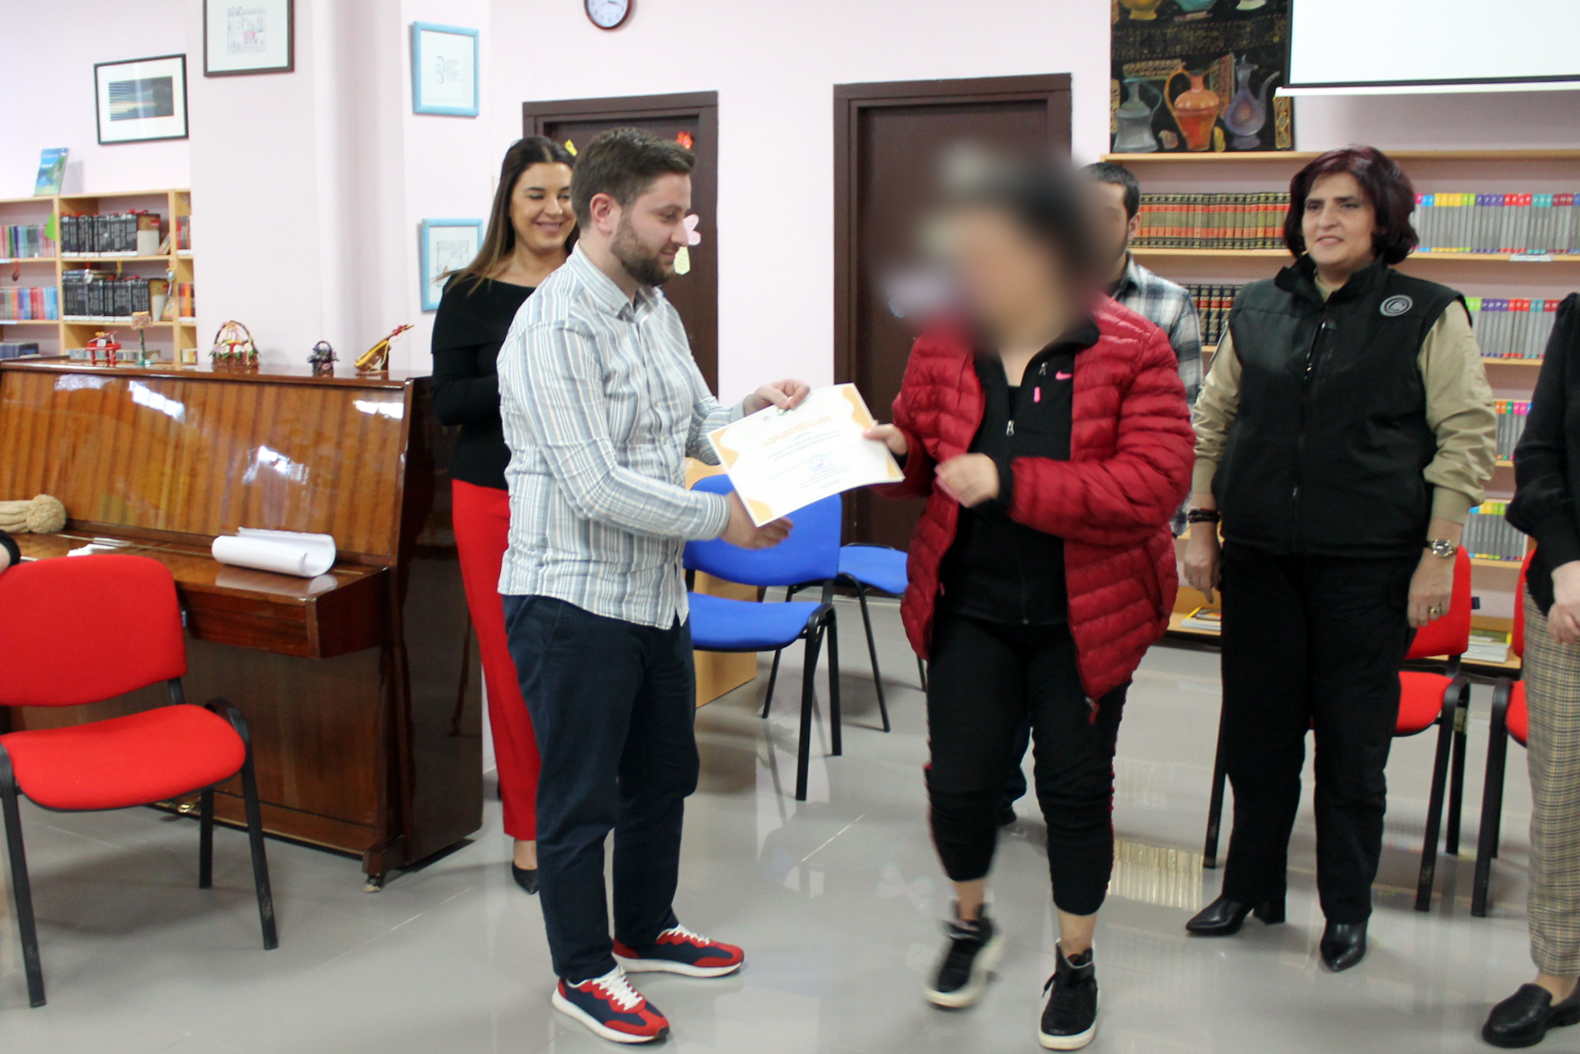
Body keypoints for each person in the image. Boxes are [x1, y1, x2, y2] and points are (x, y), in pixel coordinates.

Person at [865, 156, 1193, 1050]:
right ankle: (970, 921)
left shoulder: (1130, 346)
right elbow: (925, 459)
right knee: (960, 785)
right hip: (968, 605)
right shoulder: (943, 341)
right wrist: (894, 452)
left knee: (1075, 793)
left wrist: (1009, 482)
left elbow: (1153, 484)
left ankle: (1075, 962)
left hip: (1084, 616)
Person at [495, 127, 809, 1046]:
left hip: (650, 595)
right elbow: (595, 486)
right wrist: (723, 520)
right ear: (605, 212)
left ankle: (644, 926)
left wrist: (750, 411)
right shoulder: (553, 328)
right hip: (569, 600)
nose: (683, 234)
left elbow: (694, 422)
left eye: (686, 215)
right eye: (668, 216)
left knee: (661, 777)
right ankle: (582, 970)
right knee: (579, 799)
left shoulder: (652, 308)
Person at [1183, 146, 1496, 972]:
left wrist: (1438, 555)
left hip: (1369, 570)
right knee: (1257, 739)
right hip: (1261, 563)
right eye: (1315, 205)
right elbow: (1214, 422)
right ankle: (1249, 887)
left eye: (1348, 205)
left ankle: (1346, 909)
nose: (1325, 220)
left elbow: (1467, 437)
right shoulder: (1258, 306)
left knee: (1353, 754)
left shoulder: (1428, 311)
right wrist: (1201, 522)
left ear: (1383, 219)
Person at [997, 159, 1207, 827]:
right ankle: (995, 792)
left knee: (1088, 692)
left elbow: (1182, 427)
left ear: (1132, 224)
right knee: (1005, 681)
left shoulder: (1167, 306)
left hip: (1110, 539)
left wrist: (1163, 526)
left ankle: (1073, 808)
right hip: (1020, 524)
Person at [431, 136, 576, 896]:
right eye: (536, 195)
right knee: (514, 668)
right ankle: (529, 828)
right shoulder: (470, 293)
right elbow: (449, 402)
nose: (554, 210)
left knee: (583, 663)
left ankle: (581, 814)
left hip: (585, 496)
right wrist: (523, 371)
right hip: (494, 500)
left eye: (565, 195)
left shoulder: (600, 284)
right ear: (509, 204)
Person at [1488, 293, 1580, 1048]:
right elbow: (1540, 452)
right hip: (1570, 600)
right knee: (1563, 798)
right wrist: (1568, 561)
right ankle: (1559, 971)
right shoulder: (1578, 319)